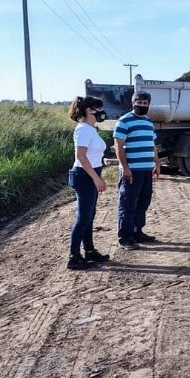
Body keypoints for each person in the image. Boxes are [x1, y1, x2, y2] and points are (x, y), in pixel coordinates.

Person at [66, 95, 110, 270]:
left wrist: (98, 174)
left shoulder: (91, 128)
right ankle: (73, 257)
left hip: (91, 173)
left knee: (89, 216)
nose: (101, 112)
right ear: (89, 110)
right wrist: (96, 178)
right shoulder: (83, 129)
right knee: (83, 217)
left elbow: (93, 155)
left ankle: (89, 252)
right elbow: (81, 157)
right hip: (84, 176)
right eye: (98, 109)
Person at [114, 91, 160, 249]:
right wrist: (125, 168)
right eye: (139, 103)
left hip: (147, 170)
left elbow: (152, 145)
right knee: (127, 204)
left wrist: (157, 163)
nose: (142, 106)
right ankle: (124, 238)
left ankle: (137, 232)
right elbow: (119, 147)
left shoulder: (148, 122)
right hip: (131, 171)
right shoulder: (124, 121)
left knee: (143, 202)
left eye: (145, 103)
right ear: (132, 103)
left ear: (148, 104)